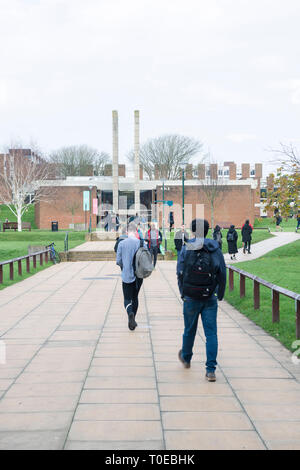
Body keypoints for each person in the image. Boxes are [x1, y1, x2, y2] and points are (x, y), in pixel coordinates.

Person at [176, 218, 226, 382]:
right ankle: (210, 370)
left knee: (189, 329)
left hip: (190, 295)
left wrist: (183, 292)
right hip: (210, 295)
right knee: (211, 333)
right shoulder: (214, 248)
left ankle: (186, 357)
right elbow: (222, 273)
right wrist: (221, 293)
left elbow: (180, 272)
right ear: (206, 230)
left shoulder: (187, 248)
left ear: (192, 231)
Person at [116, 223, 144, 331]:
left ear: (127, 232)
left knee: (127, 299)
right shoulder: (141, 243)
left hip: (127, 275)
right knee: (135, 297)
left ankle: (130, 314)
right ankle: (132, 320)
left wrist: (124, 267)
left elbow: (118, 261)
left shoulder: (122, 244)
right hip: (139, 276)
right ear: (136, 232)